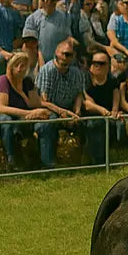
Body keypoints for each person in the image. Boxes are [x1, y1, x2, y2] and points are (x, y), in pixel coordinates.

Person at [33, 38, 85, 169]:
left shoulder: (77, 73)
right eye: (64, 54)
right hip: (50, 110)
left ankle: (89, 161)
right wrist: (63, 113)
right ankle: (48, 164)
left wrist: (77, 112)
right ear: (56, 52)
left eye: (70, 55)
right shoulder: (47, 70)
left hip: (70, 110)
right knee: (49, 123)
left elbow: (79, 94)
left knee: (91, 123)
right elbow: (43, 101)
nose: (66, 57)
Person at [0, 50, 47, 167]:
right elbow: (1, 108)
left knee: (48, 121)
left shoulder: (28, 82)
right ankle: (11, 159)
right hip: (7, 118)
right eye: (16, 65)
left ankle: (45, 160)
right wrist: (28, 113)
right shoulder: (2, 81)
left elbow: (36, 104)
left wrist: (47, 111)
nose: (19, 69)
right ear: (10, 66)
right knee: (8, 121)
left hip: (24, 118)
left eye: (22, 66)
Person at [80, 46, 126, 164]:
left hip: (108, 115)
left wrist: (114, 111)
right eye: (95, 63)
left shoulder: (112, 81)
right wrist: (102, 111)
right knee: (95, 124)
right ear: (90, 66)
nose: (98, 66)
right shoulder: (85, 81)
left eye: (102, 63)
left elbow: (116, 97)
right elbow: (87, 104)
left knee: (121, 123)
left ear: (109, 66)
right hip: (90, 117)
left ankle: (120, 156)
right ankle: (98, 161)